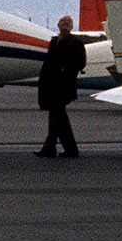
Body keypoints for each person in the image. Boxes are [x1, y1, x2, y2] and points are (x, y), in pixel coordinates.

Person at [35, 15, 87, 157]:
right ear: (58, 24)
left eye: (68, 21)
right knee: (56, 117)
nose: (65, 23)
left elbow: (81, 63)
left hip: (63, 85)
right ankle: (55, 149)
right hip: (50, 84)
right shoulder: (54, 41)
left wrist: (66, 71)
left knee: (58, 117)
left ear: (72, 26)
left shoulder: (76, 42)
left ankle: (63, 149)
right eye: (63, 21)